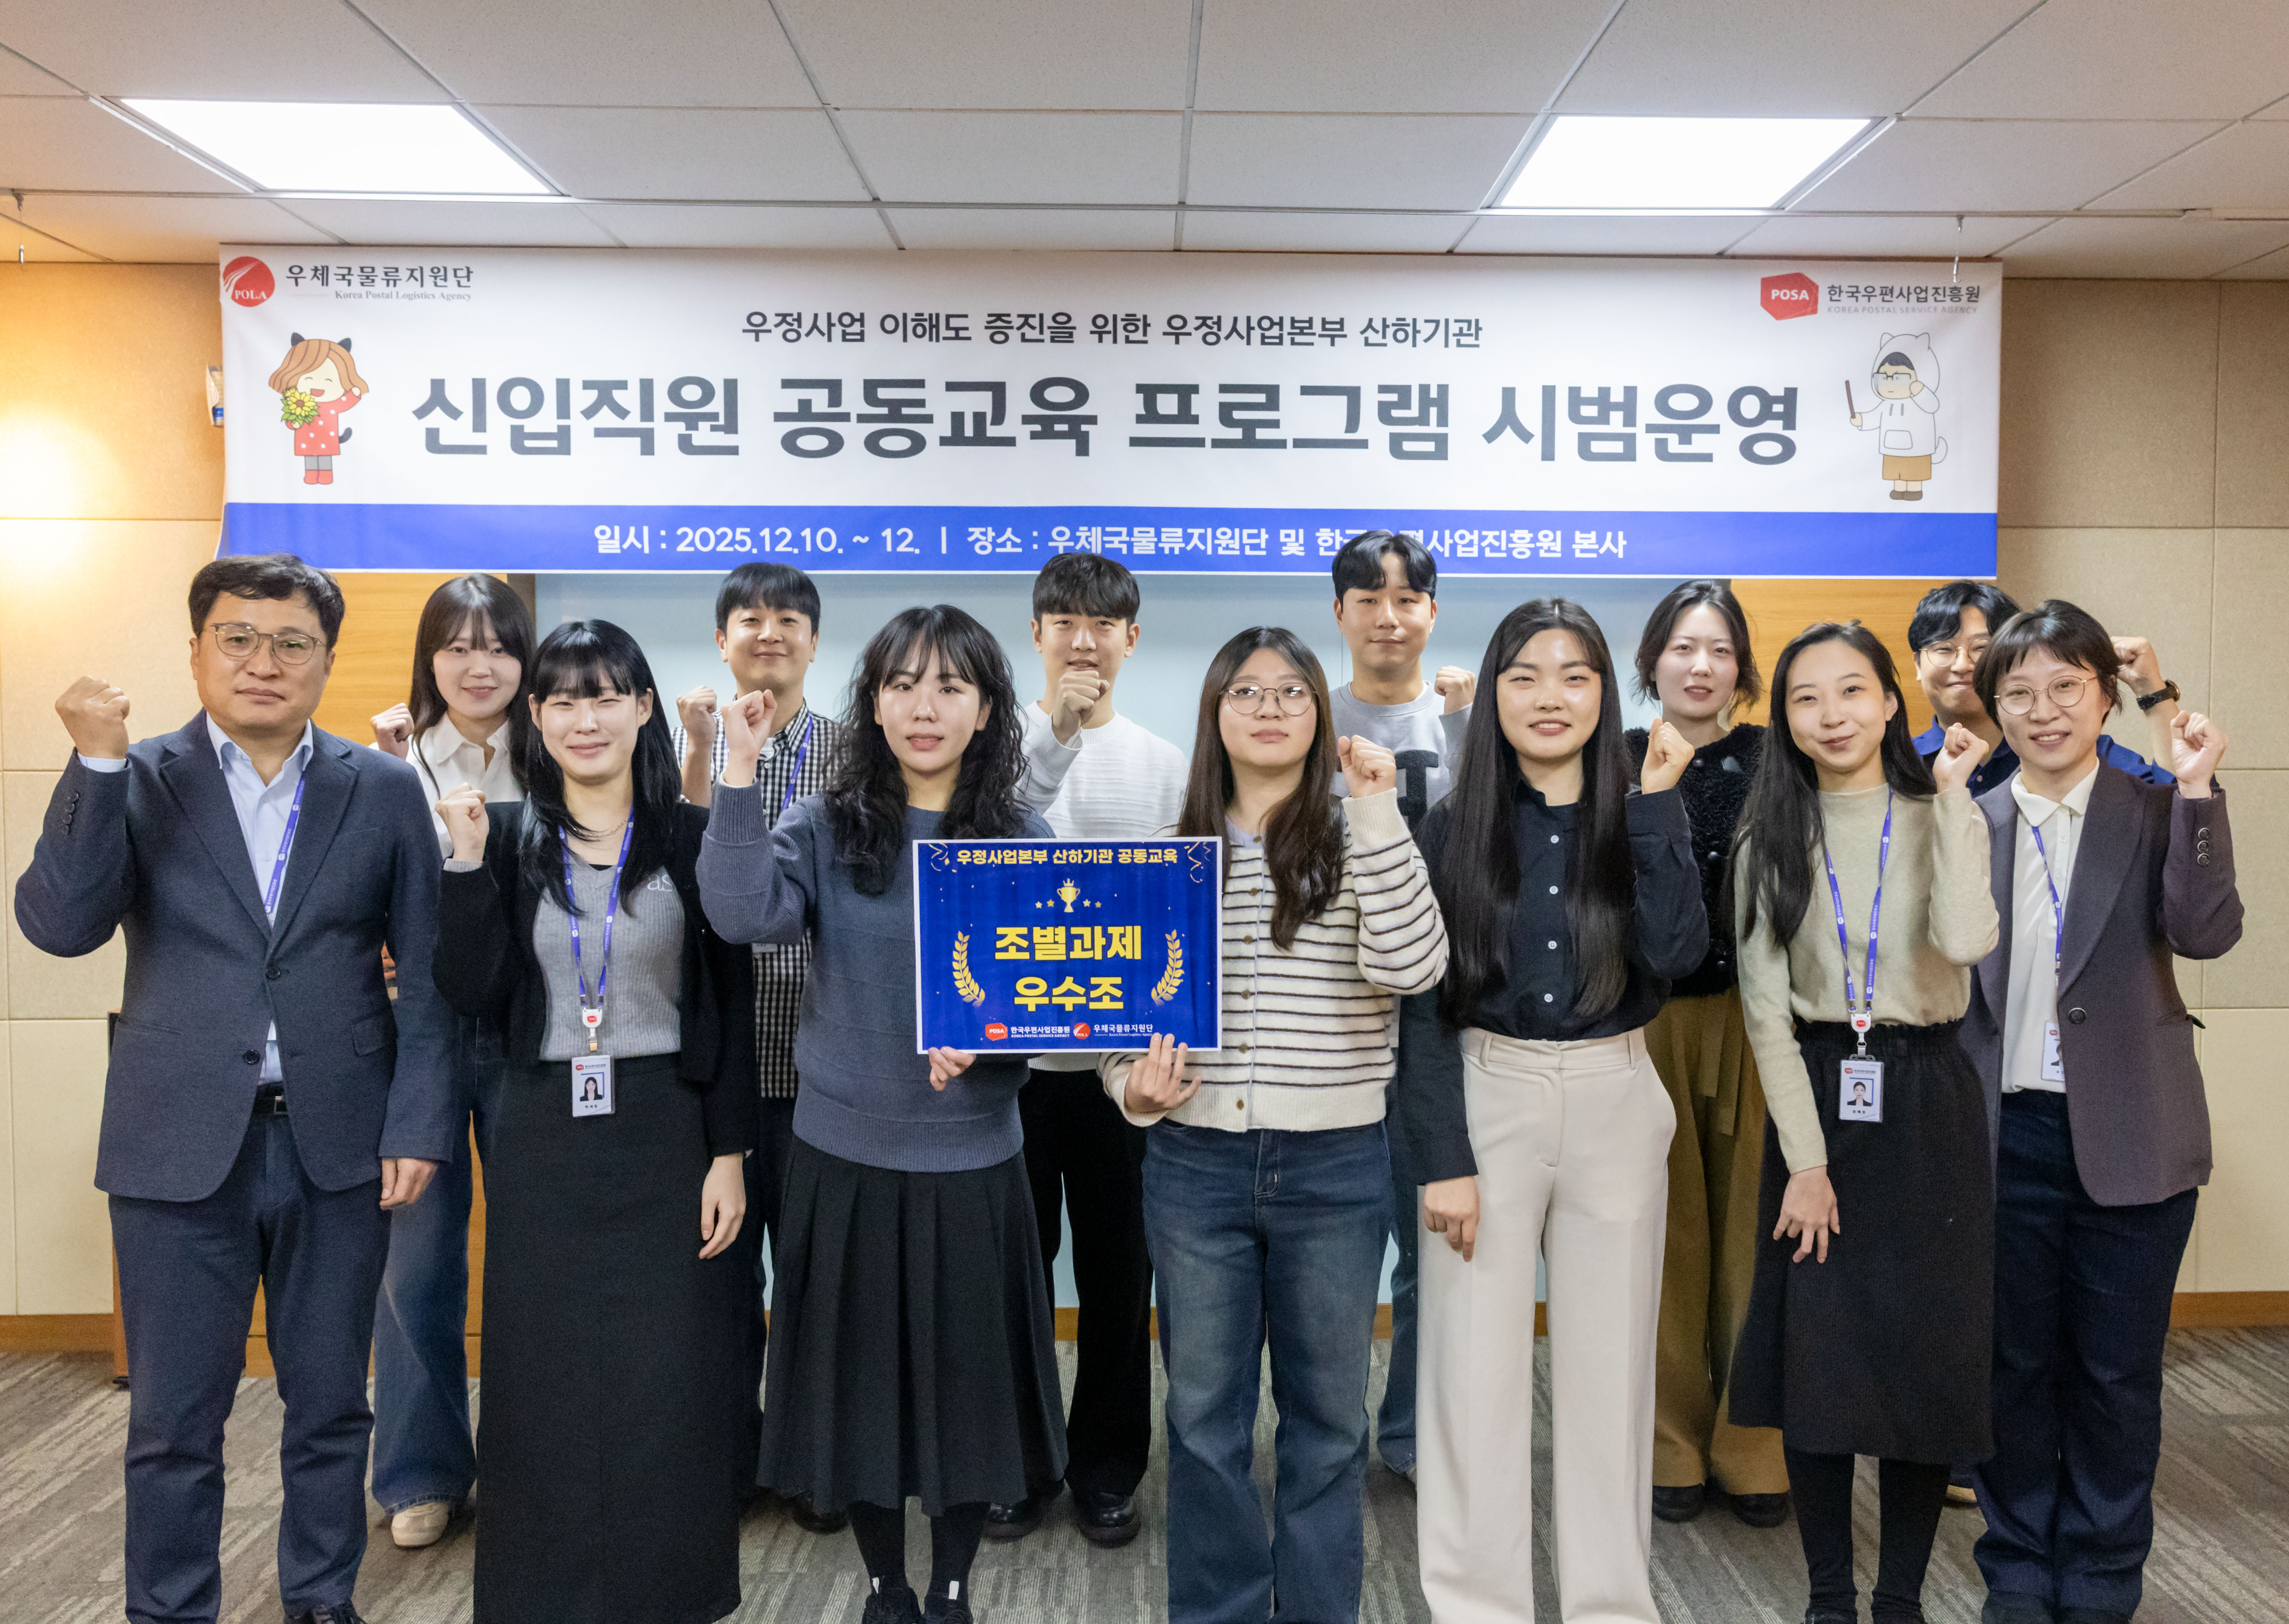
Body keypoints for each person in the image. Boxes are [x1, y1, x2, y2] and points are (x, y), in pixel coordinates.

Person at [14, 553, 455, 1624]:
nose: (265, 662)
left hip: (339, 1140)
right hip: (175, 1147)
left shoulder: (385, 788)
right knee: (172, 1418)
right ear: (198, 649)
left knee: (329, 1408)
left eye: (292, 642)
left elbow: (432, 983)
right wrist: (95, 764)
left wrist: (417, 1122)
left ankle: (318, 1597)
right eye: (240, 638)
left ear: (327, 659)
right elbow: (61, 923)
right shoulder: (140, 772)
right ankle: (170, 1609)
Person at [699, 605, 1069, 1624]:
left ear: (987, 708)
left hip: (973, 1163)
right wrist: (736, 766)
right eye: (903, 682)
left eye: (951, 686)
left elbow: (1065, 1004)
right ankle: (884, 1585)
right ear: (872, 700)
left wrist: (997, 1040)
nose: (924, 705)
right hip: (843, 1155)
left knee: (963, 1398)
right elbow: (739, 913)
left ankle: (949, 1585)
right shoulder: (825, 821)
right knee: (859, 1397)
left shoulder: (1019, 839)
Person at [1106, 625, 1448, 1624]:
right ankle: (1216, 1609)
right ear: (1214, 713)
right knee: (1205, 1419)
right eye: (1245, 691)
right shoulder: (1170, 857)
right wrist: (1133, 1088)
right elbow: (1111, 1012)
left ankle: (1315, 1609)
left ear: (1319, 713)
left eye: (1290, 691)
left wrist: (1378, 808)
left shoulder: (1360, 833)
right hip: (1193, 1165)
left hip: (1336, 1167)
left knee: (1328, 1422)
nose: (1268, 708)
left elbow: (1413, 966)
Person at [430, 619, 755, 1624]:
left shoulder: (692, 838)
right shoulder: (501, 828)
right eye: (564, 698)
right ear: (535, 715)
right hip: (541, 1129)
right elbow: (473, 989)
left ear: (644, 708)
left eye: (607, 694)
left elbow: (734, 1004)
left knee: (674, 1374)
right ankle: (544, 1593)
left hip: (669, 1128)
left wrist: (731, 1151)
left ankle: (674, 1589)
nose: (586, 716)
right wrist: (462, 871)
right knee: (544, 1371)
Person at [1400, 598, 1708, 1624]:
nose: (1550, 695)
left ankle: (1610, 1603)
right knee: (1470, 1373)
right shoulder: (1455, 820)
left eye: (1575, 674)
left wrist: (1661, 802)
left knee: (1609, 1373)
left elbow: (1674, 957)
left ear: (1605, 691)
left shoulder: (1645, 807)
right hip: (1489, 1092)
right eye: (1526, 673)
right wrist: (1441, 1154)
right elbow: (1424, 1001)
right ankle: (1475, 1602)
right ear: (1492, 690)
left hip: (1618, 1092)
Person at [1958, 603, 2241, 1624]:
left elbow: (2207, 933)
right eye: (2018, 693)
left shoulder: (2156, 804)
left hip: (2132, 1136)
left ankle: (2104, 1575)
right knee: (2014, 1369)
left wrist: (2201, 788)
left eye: (2064, 687)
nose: (2043, 711)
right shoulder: (1971, 820)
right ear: (1994, 706)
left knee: (2117, 1375)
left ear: (2103, 693)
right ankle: (2020, 1566)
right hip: (2005, 1136)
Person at [1728, 621, 2001, 1624]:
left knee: (1925, 1362)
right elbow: (1764, 1010)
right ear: (1786, 719)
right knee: (1822, 1360)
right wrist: (1803, 1164)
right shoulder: (1771, 834)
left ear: (1892, 702)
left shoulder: (1943, 812)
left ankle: (1899, 1599)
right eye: (1806, 697)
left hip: (1928, 1099)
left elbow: (1967, 940)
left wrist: (1957, 801)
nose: (1831, 714)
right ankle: (1830, 1598)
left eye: (1852, 691)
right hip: (1818, 1099)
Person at [988, 553, 1187, 1549]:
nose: (1083, 637)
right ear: (1036, 634)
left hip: (1124, 1079)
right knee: (1012, 1280)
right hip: (1004, 1080)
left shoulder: (1164, 760)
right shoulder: (992, 750)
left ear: (1130, 639)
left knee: (1120, 1279)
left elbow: (1180, 916)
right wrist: (1054, 733)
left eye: (1103, 622)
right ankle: (1014, 1469)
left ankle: (1109, 1468)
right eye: (1062, 619)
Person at [668, 561, 853, 1536]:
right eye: (750, 618)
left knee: (821, 1280)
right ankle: (731, 1461)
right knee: (719, 1278)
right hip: (713, 1070)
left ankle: (815, 1465)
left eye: (790, 619)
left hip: (821, 1063)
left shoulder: (855, 755)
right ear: (721, 638)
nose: (769, 632)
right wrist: (702, 746)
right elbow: (684, 870)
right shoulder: (675, 747)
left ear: (816, 643)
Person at [362, 572, 534, 1551]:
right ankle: (421, 1470)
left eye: (499, 645)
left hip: (527, 1035)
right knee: (416, 1265)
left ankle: (528, 1461)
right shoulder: (390, 762)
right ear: (431, 656)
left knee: (532, 1261)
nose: (479, 665)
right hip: (417, 1041)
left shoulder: (558, 751)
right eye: (458, 645)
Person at [1618, 580, 1793, 1532]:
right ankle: (1668, 1443)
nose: (1699, 665)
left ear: (1742, 668)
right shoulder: (1616, 760)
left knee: (1759, 1241)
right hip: (1647, 1022)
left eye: (1719, 649)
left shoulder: (1782, 760)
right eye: (1683, 647)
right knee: (1666, 1241)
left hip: (1765, 1021)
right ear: (1652, 661)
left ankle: (1752, 1441)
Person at [1326, 528, 1475, 1484]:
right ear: (1337, 613)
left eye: (1407, 597)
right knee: (1337, 1252)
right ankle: (1329, 1435)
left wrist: (1469, 726)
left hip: (1445, 1012)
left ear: (1431, 609)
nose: (1389, 615)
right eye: (1368, 597)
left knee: (1433, 1245)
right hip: (1334, 1014)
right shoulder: (1306, 714)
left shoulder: (1469, 720)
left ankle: (1415, 1434)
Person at [1907, 582, 2173, 799]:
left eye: (1981, 648)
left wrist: (2153, 692)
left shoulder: (2077, 749)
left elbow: (2177, 811)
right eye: (1943, 649)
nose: (1963, 665)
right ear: (1918, 665)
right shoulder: (1901, 764)